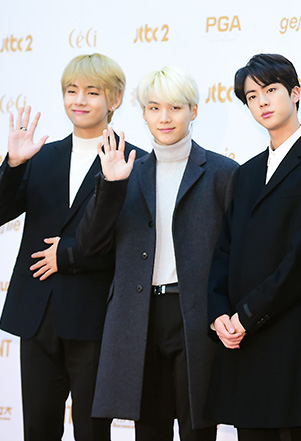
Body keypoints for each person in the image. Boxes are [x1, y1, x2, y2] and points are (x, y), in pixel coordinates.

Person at [0, 53, 141, 441]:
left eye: (92, 91)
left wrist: (67, 255)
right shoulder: (40, 156)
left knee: (92, 432)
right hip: (36, 316)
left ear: (114, 99)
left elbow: (129, 246)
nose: (79, 100)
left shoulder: (132, 162)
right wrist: (13, 164)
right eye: (72, 90)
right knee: (38, 428)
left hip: (94, 317)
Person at [76, 66, 237, 441]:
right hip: (138, 319)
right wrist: (110, 186)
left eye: (175, 107)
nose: (164, 118)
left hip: (196, 319)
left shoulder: (223, 173)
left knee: (198, 429)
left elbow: (234, 255)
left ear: (193, 111)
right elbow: (89, 246)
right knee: (148, 430)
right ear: (143, 113)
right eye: (154, 108)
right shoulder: (125, 171)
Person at [205, 53, 301, 441]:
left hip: (292, 333)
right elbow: (224, 250)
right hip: (242, 337)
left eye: (271, 90)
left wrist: (247, 315)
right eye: (252, 96)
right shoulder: (245, 173)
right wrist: (219, 314)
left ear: (296, 93)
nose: (262, 102)